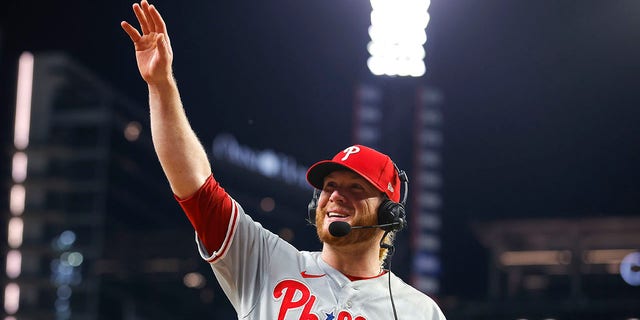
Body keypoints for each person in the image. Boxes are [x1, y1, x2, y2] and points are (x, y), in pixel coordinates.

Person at [121, 1, 446, 319]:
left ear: (388, 214)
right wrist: (161, 85)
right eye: (330, 186)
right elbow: (195, 187)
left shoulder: (418, 311)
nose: (335, 196)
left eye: (356, 189)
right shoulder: (265, 261)